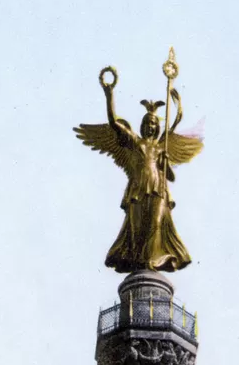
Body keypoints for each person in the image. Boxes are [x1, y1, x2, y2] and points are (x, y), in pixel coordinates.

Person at [75, 67, 203, 272]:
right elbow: (114, 123)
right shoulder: (135, 143)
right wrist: (109, 95)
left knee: (156, 225)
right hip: (137, 189)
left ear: (157, 127)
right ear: (143, 125)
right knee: (136, 230)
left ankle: (151, 263)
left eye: (154, 123)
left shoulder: (163, 146)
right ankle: (138, 263)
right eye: (148, 122)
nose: (151, 126)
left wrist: (165, 161)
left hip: (158, 189)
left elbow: (170, 176)